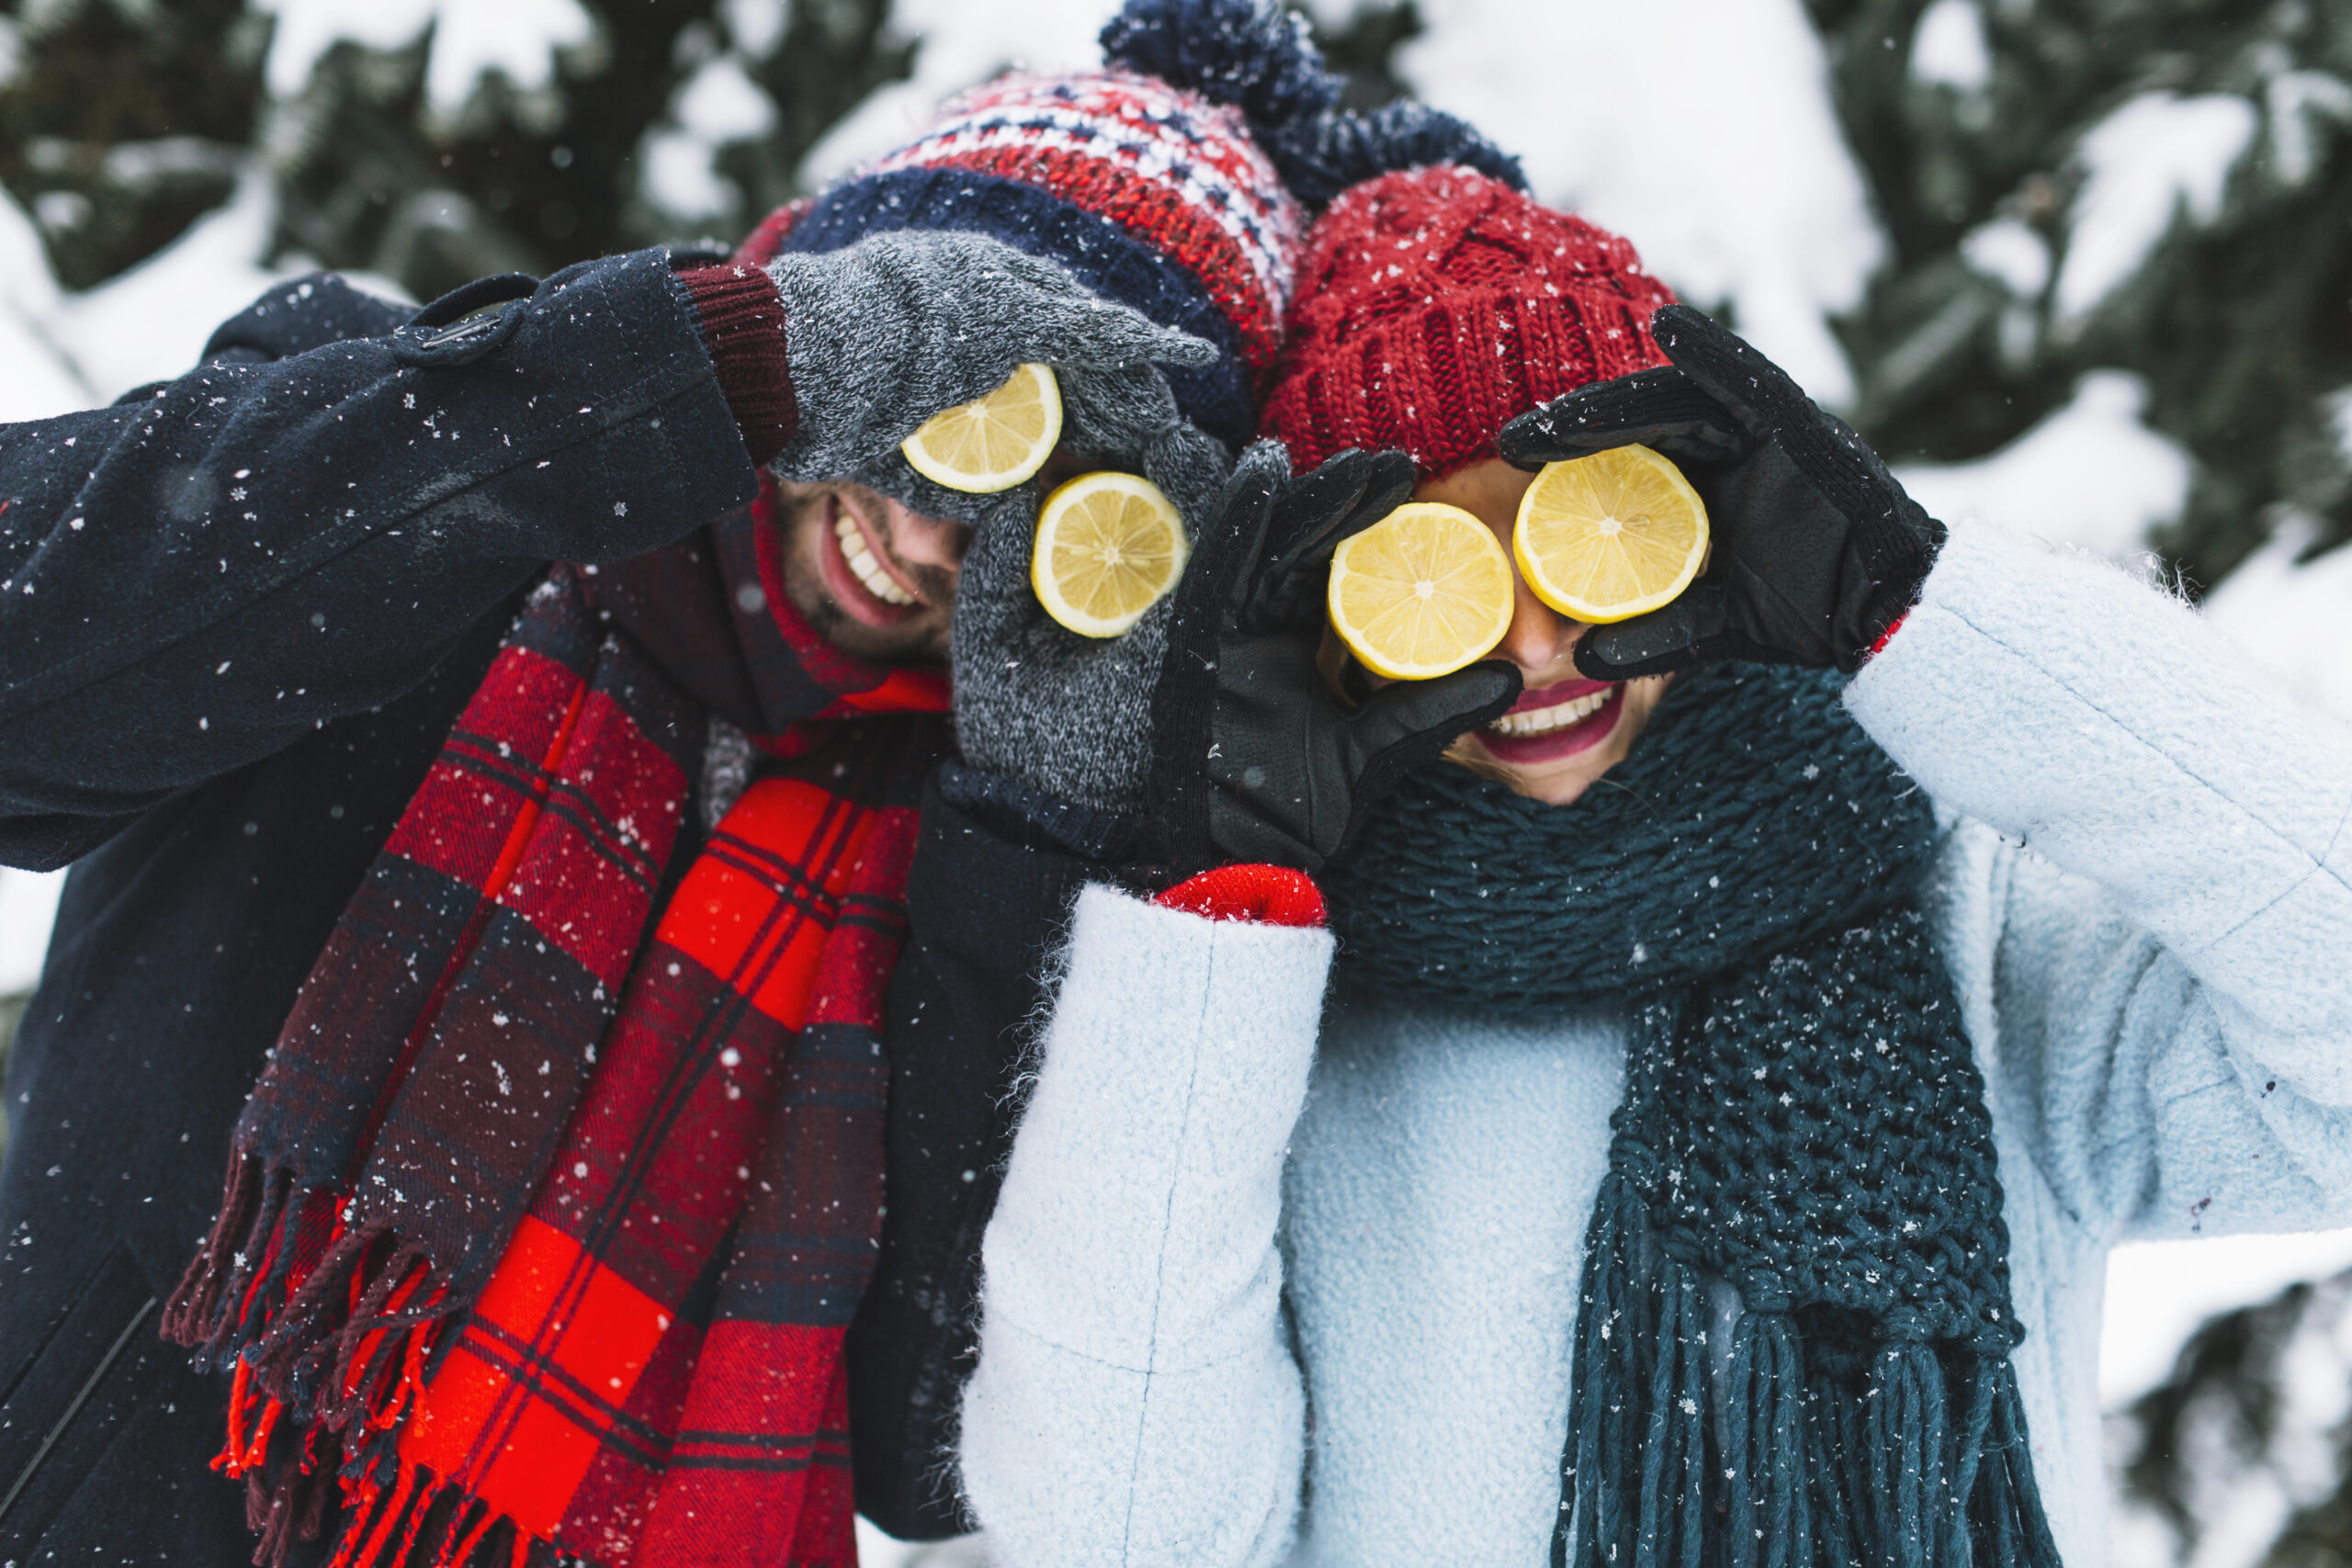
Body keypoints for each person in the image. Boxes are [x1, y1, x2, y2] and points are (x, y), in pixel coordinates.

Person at [0, 0, 1430, 1558]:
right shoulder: (431, 449)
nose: (941, 525)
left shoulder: (989, 828)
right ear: (828, 296)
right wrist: (668, 386)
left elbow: (922, 1451)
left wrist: (1037, 826)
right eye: (945, 403)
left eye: (1054, 477)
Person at [931, 164, 2352, 1567]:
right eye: (1444, 569)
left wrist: (1929, 612)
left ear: (1694, 519)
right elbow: (1111, 1532)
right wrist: (1209, 928)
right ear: (1334, 610)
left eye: (1582, 533)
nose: (1539, 646)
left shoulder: (1964, 908)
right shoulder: (1272, 1017)